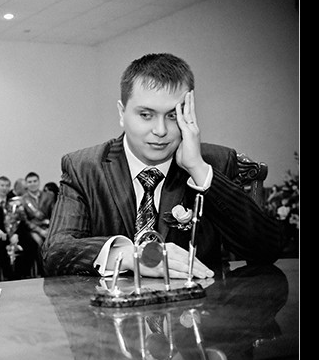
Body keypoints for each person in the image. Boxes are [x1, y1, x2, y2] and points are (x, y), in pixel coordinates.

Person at [43, 53, 283, 278]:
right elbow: (55, 252)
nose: (160, 131)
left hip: (198, 304)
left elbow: (267, 250)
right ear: (122, 113)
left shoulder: (216, 162)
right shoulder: (84, 167)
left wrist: (197, 169)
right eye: (146, 115)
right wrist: (131, 256)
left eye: (173, 115)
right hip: (111, 305)